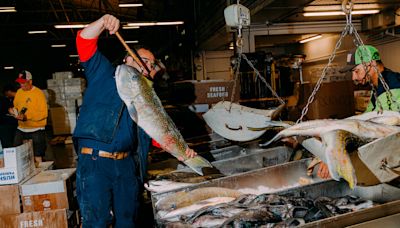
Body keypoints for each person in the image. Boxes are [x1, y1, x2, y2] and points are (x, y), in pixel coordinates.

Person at [73, 14, 197, 227]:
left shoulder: (146, 96)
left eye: (149, 63)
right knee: (97, 221)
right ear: (126, 59)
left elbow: (155, 132)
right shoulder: (103, 74)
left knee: (128, 221)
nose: (144, 64)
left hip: (127, 165)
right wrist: (103, 22)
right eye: (140, 58)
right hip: (95, 163)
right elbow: (83, 40)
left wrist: (183, 151)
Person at [340, 45, 400, 112]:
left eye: (357, 71)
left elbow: (379, 119)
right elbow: (368, 112)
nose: (353, 78)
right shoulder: (377, 85)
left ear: (372, 63)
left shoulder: (392, 87)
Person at [9, 70, 48, 162]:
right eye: (20, 83)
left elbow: (43, 114)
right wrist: (13, 111)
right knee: (17, 153)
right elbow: (16, 106)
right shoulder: (19, 92)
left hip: (36, 129)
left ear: (30, 81)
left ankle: (40, 174)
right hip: (21, 128)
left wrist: (27, 117)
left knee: (37, 155)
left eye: (23, 82)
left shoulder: (38, 93)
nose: (21, 85)